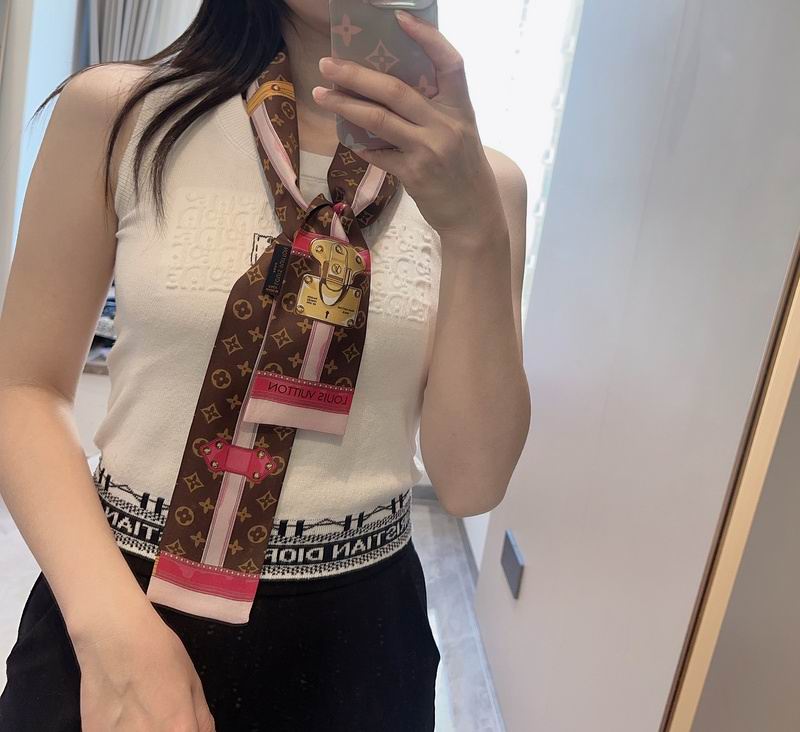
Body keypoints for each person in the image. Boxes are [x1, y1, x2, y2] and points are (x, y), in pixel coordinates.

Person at [0, 0, 530, 729]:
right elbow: (22, 386)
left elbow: (471, 482)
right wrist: (111, 630)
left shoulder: (485, 187)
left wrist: (474, 230)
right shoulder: (121, 115)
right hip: (116, 608)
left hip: (361, 644)